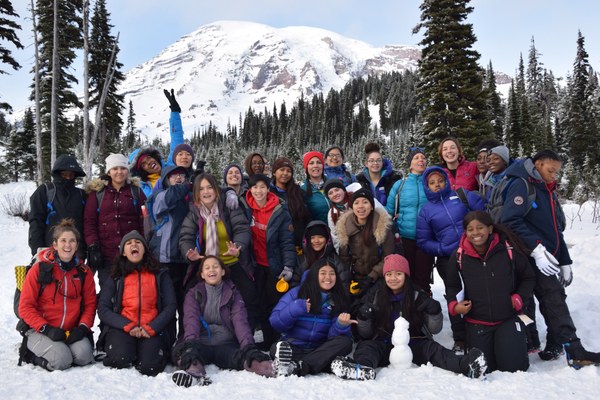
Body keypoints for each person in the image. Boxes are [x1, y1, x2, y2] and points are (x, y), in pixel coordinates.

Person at [500, 149, 600, 368]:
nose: (554, 175)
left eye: (557, 172)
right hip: (528, 257)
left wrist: (565, 260)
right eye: (551, 170)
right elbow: (510, 220)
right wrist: (536, 249)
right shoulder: (521, 184)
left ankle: (557, 344)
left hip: (547, 257)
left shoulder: (546, 189)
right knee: (550, 299)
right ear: (538, 165)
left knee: (553, 299)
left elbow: (555, 230)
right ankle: (571, 349)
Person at [332, 254, 486, 380]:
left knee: (434, 350)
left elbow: (435, 329)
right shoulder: (375, 295)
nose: (393, 278)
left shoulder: (417, 295)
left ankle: (465, 365)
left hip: (413, 344)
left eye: (398, 274)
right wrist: (364, 317)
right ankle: (362, 369)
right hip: (383, 343)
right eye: (389, 274)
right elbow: (365, 334)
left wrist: (434, 312)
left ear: (405, 275)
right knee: (367, 347)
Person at [446, 211, 535, 373]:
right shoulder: (459, 256)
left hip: (507, 319)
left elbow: (528, 277)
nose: (475, 233)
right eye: (470, 229)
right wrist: (454, 306)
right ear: (465, 232)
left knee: (514, 369)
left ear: (490, 229)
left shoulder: (508, 250)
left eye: (480, 228)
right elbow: (452, 285)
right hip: (477, 322)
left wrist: (519, 298)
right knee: (483, 368)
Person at [171, 256, 274, 387]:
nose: (211, 270)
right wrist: (191, 344)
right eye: (207, 268)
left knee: (244, 356)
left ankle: (269, 368)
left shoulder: (233, 293)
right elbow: (191, 320)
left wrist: (248, 345)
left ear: (223, 271)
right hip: (200, 343)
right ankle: (195, 374)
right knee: (183, 353)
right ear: (202, 274)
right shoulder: (193, 294)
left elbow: (239, 319)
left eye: (215, 266)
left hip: (225, 344)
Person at [416, 166, 485, 352]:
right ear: (427, 186)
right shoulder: (426, 211)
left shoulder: (461, 195)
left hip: (474, 253)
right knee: (455, 296)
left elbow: (484, 216)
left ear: (446, 181)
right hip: (448, 259)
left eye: (440, 181)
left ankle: (481, 333)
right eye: (432, 183)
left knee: (479, 292)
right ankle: (460, 338)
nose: (437, 185)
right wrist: (441, 248)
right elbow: (423, 241)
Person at [178, 173, 258, 329]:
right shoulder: (194, 213)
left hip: (231, 261)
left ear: (216, 190)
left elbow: (242, 228)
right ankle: (190, 335)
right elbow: (185, 236)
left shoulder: (228, 207)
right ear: (196, 193)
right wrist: (188, 252)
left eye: (209, 187)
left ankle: (247, 334)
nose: (206, 192)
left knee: (249, 296)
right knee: (189, 294)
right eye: (201, 189)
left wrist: (238, 247)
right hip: (207, 264)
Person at [18, 219, 96, 371]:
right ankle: (30, 354)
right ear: (55, 244)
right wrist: (46, 329)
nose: (68, 245)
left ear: (77, 245)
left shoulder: (84, 272)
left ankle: (61, 348)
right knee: (62, 360)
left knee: (84, 357)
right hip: (41, 330)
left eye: (72, 241)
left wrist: (82, 328)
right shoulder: (39, 269)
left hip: (70, 331)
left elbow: (90, 305)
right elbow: (25, 307)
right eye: (63, 240)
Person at [97, 230, 177, 376]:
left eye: (138, 242)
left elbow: (170, 306)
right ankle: (128, 349)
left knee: (150, 367)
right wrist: (127, 325)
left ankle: (144, 351)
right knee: (120, 359)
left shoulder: (160, 274)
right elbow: (103, 309)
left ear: (144, 249)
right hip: (124, 328)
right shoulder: (116, 276)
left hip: (152, 329)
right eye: (128, 243)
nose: (134, 244)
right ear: (123, 252)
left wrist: (152, 327)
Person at [269, 258, 354, 377]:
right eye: (323, 273)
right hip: (295, 348)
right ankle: (321, 365)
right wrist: (295, 308)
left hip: (319, 350)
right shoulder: (297, 293)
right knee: (275, 348)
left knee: (345, 342)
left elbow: (332, 338)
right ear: (314, 275)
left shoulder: (338, 299)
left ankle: (299, 366)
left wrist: (340, 325)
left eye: (332, 274)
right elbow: (275, 322)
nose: (328, 277)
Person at [241, 173, 297, 349]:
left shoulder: (279, 209)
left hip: (273, 265)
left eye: (262, 187)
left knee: (274, 303)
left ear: (268, 188)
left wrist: (288, 265)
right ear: (250, 189)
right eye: (255, 187)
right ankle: (261, 339)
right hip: (253, 265)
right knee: (257, 303)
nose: (258, 191)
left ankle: (275, 340)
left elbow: (286, 241)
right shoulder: (244, 207)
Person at [84, 153, 145, 288]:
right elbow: (89, 222)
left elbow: (144, 221)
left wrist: (143, 245)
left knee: (131, 292)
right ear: (109, 172)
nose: (119, 172)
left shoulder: (136, 192)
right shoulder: (98, 193)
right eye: (115, 168)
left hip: (131, 254)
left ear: (127, 171)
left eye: (123, 168)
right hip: (106, 255)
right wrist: (93, 246)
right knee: (108, 292)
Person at [148, 164, 193, 338]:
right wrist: (187, 185)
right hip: (165, 258)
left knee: (186, 303)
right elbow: (169, 198)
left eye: (182, 175)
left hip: (186, 257)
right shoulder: (160, 195)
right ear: (166, 180)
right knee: (167, 303)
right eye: (174, 176)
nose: (179, 178)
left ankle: (184, 338)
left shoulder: (189, 196)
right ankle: (166, 340)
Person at [385, 147, 434, 293]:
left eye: (423, 158)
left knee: (423, 277)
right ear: (410, 164)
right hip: (404, 238)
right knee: (406, 275)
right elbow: (388, 211)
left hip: (426, 238)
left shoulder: (431, 184)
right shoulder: (400, 185)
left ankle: (424, 302)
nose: (421, 160)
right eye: (416, 158)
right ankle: (406, 303)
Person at [337, 188, 396, 296]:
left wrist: (372, 277)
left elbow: (388, 257)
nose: (360, 206)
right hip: (355, 277)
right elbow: (344, 258)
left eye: (365, 202)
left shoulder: (382, 226)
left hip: (378, 276)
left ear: (372, 206)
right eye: (356, 203)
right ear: (352, 207)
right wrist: (348, 277)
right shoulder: (345, 226)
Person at [128, 89, 186, 197]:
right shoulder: (142, 188)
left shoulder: (170, 167)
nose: (149, 162)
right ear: (142, 171)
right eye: (143, 164)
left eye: (148, 158)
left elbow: (177, 142)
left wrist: (175, 112)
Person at [28, 154, 87, 257]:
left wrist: (86, 249)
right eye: (64, 174)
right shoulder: (46, 191)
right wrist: (37, 250)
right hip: (50, 251)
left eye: (71, 175)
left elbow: (88, 224)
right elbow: (36, 222)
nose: (68, 178)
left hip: (76, 252)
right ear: (57, 174)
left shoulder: (81, 194)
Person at [296, 220, 350, 292]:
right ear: (307, 240)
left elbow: (344, 284)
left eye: (320, 237)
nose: (316, 241)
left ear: (327, 240)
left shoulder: (334, 260)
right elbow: (294, 284)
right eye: (312, 237)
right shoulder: (301, 260)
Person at [270, 157, 311, 252]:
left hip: (298, 243)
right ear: (274, 172)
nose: (285, 173)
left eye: (289, 171)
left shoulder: (298, 192)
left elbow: (306, 216)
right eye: (282, 169)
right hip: (276, 243)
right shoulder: (268, 193)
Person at [356, 142, 401, 206]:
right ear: (366, 164)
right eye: (371, 161)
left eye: (378, 160)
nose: (375, 163)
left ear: (382, 162)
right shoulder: (359, 181)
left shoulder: (393, 179)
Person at [300, 150, 330, 222]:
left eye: (319, 162)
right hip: (317, 228)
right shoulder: (302, 190)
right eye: (311, 163)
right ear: (306, 167)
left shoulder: (333, 184)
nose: (315, 165)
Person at [323, 178, 351, 252]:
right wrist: (342, 253)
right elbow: (335, 236)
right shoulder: (332, 213)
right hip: (348, 250)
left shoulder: (355, 202)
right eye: (330, 193)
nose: (335, 194)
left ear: (343, 190)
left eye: (337, 190)